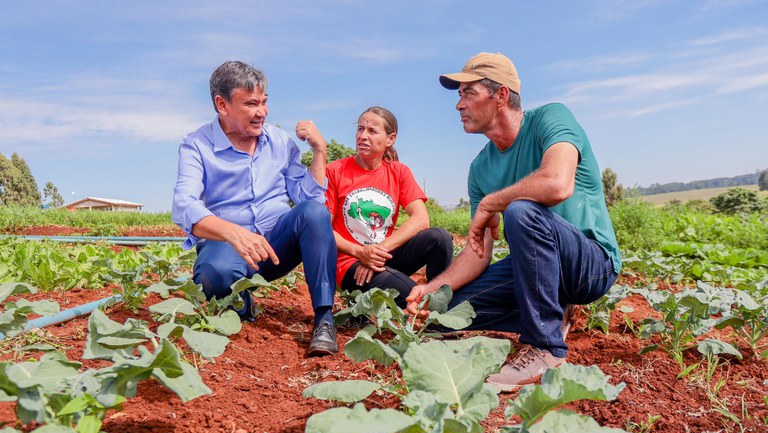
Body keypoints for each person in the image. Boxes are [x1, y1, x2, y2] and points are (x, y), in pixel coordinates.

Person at [407, 52, 621, 389]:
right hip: (534, 268)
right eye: (458, 95)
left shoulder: (552, 118)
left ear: (501, 95)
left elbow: (557, 183)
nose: (458, 105)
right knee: (442, 315)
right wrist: (431, 289)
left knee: (521, 211)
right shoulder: (480, 168)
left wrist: (495, 201)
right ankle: (552, 311)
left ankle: (546, 348)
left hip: (589, 266)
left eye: (468, 93)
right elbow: (478, 252)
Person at [172, 60, 338, 356]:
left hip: (276, 246)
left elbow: (307, 197)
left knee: (315, 213)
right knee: (213, 277)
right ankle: (240, 296)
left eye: (264, 102)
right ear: (222, 105)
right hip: (229, 246)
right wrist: (233, 233)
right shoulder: (197, 145)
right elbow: (184, 204)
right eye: (250, 103)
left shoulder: (279, 141)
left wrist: (319, 151)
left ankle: (324, 318)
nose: (261, 112)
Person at [325, 106, 452, 308]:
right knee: (415, 295)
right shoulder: (335, 170)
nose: (363, 136)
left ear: (390, 139)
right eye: (360, 129)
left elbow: (421, 219)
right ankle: (436, 311)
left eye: (372, 131)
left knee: (439, 238)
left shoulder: (399, 172)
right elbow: (323, 229)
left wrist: (375, 252)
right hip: (350, 264)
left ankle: (440, 310)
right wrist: (360, 253)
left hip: (381, 257)